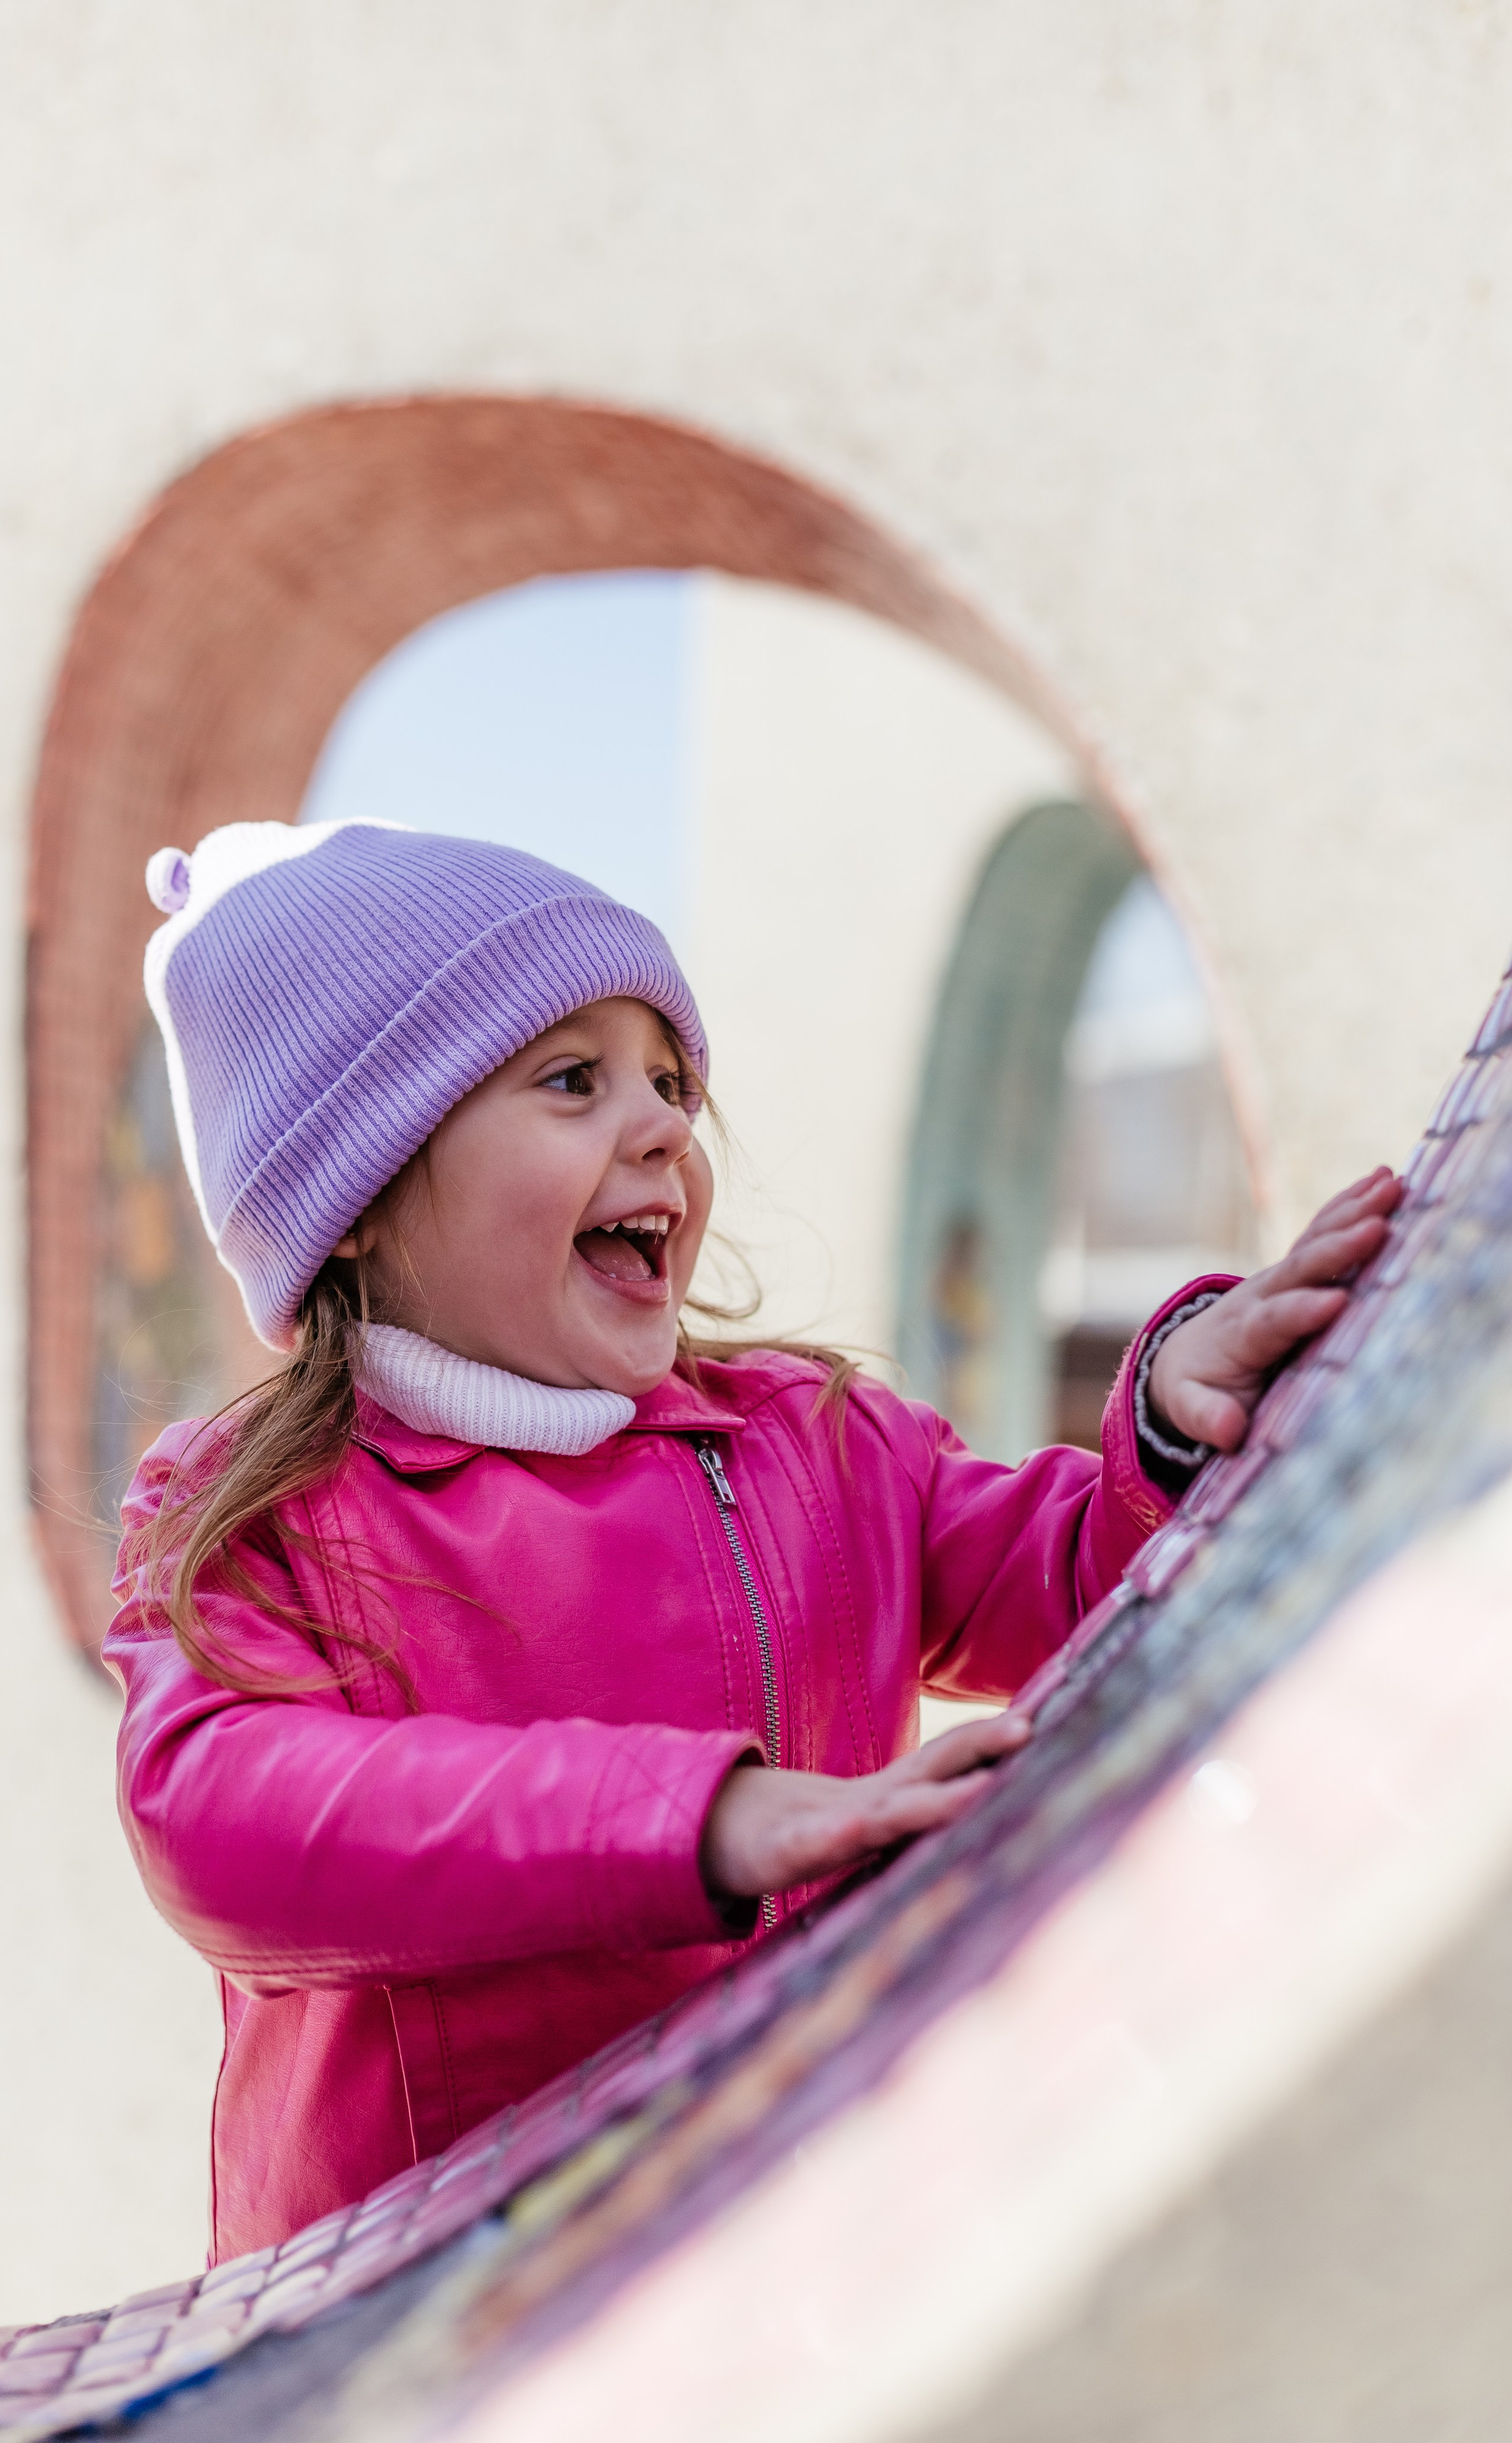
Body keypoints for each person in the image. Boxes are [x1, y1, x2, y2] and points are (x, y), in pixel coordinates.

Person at [109, 820, 1398, 2261]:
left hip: (800, 2247)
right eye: (570, 1080)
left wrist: (1165, 1419)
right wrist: (699, 1820)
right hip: (432, 2318)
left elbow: (1079, 1578)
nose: (662, 1122)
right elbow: (219, 1817)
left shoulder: (813, 1441)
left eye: (666, 1079)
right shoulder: (263, 1511)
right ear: (354, 1191)